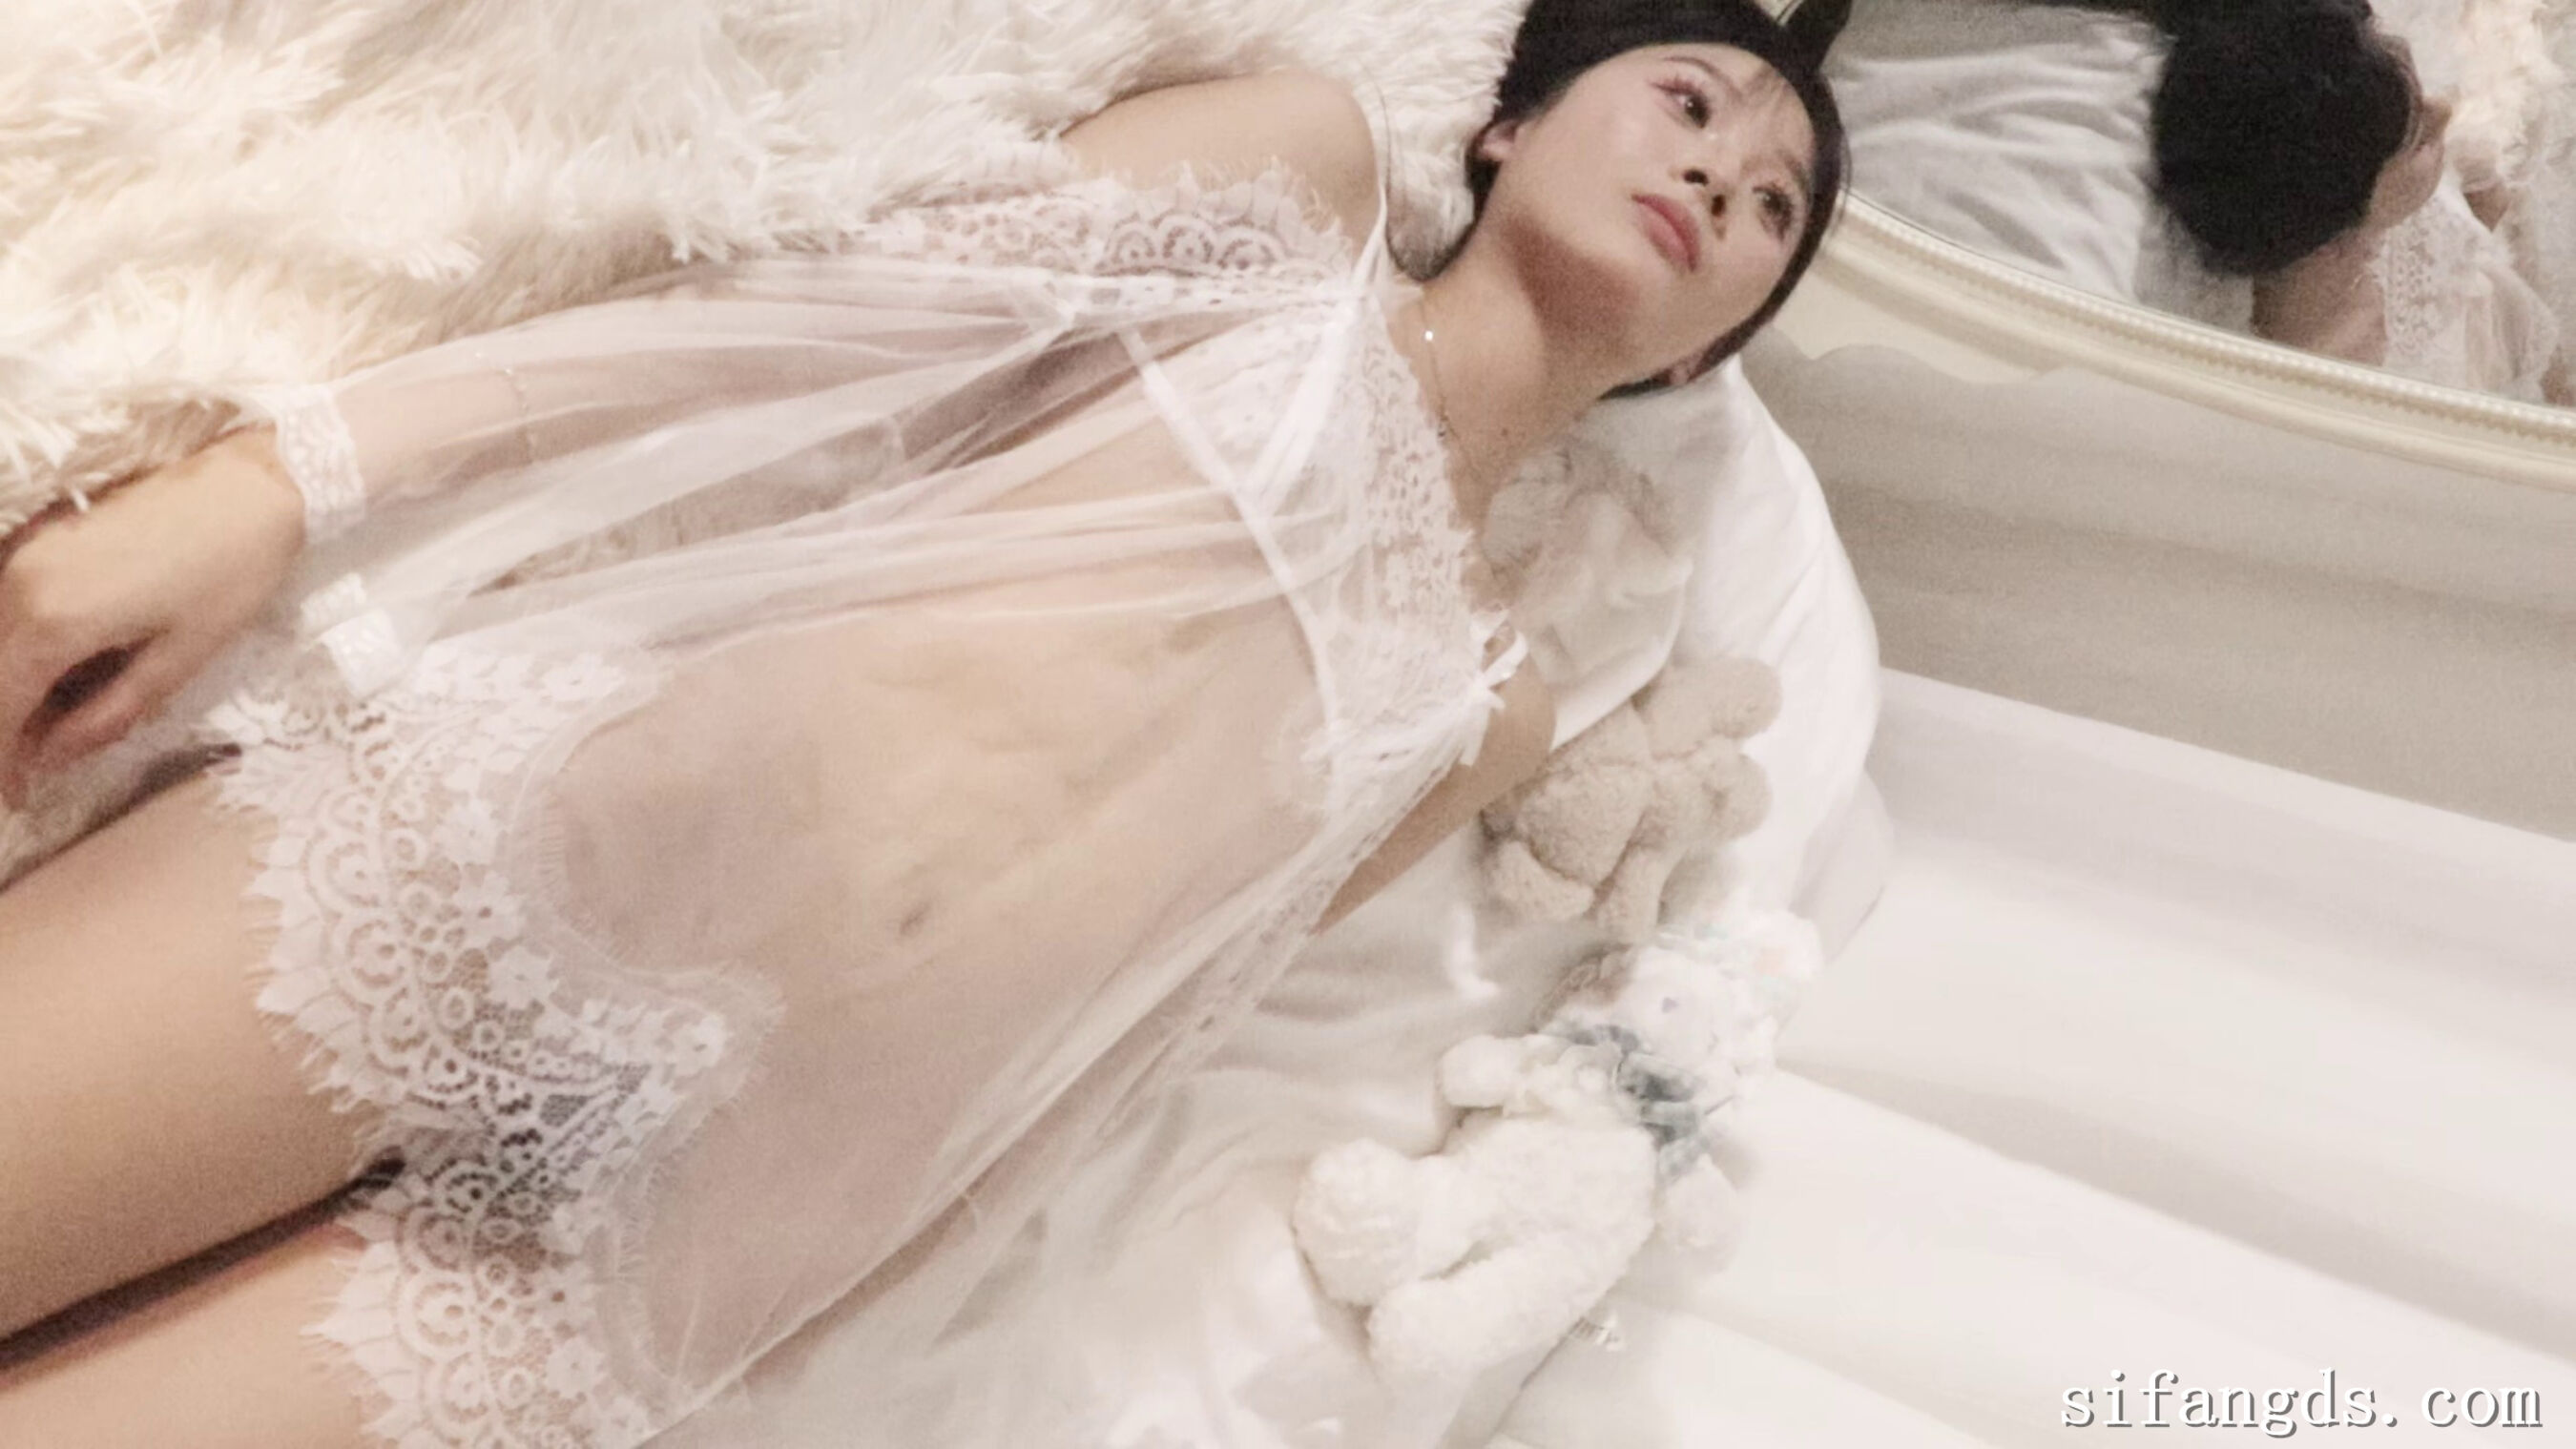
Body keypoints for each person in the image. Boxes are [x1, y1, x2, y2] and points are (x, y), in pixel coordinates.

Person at [0, 1, 1846, 1444]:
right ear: (1513, 124)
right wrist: (283, 484)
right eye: (1691, 103)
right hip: (520, 884)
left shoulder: (1502, 702)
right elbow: (797, 318)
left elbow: (1154, 1019)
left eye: (1773, 205)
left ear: (1712, 347)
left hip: (687, 1248)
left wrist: (812, 1315)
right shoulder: (1307, 191)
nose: (1716, 176)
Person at [2133, 0, 2565, 399]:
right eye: (2417, 137)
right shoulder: (2278, 384)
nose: (2445, 111)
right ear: (2333, 235)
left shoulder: (2431, 233)